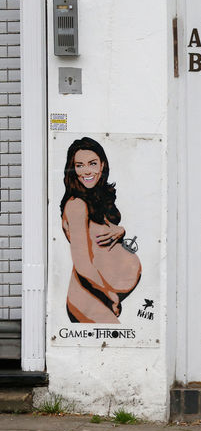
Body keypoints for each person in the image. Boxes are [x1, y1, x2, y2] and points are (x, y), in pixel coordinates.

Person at [60, 137, 141, 323]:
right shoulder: (76, 205)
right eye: (79, 165)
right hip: (89, 296)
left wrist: (120, 231)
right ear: (72, 169)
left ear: (102, 165)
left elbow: (100, 233)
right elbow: (82, 264)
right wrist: (110, 295)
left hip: (100, 293)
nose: (86, 171)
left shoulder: (94, 198)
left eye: (92, 163)